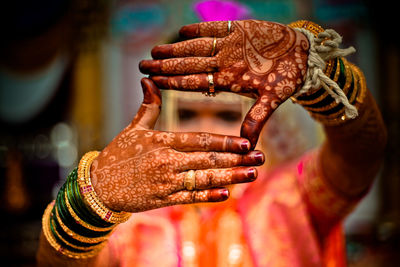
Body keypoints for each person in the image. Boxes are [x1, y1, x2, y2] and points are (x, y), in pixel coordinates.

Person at [36, 19, 387, 267]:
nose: (205, 134)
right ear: (164, 119)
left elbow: (362, 153)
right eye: (187, 116)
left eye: (223, 115)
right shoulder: (134, 220)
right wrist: (88, 202)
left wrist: (317, 77)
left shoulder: (292, 199)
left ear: (261, 117)